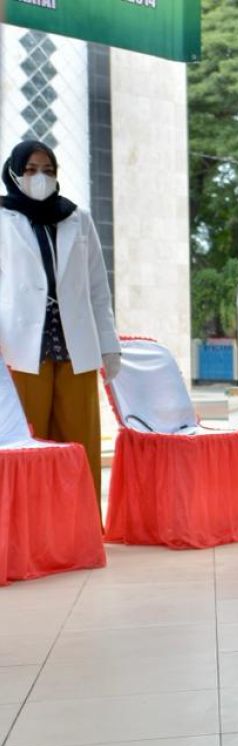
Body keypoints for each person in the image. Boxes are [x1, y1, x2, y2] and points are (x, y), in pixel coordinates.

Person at [0, 140, 120, 501]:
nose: (41, 177)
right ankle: (32, 528)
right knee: (28, 441)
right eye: (32, 170)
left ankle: (82, 528)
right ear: (15, 173)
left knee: (80, 440)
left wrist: (109, 346)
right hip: (20, 348)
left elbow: (98, 288)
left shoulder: (77, 218)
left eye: (49, 170)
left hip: (75, 346)